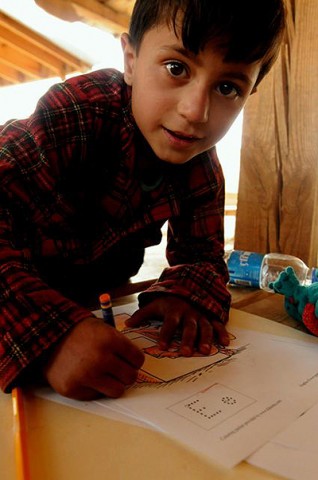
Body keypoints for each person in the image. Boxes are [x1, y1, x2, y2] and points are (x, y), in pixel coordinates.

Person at [0, 0, 286, 400]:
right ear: (131, 61)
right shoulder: (76, 114)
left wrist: (183, 297)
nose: (195, 111)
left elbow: (201, 258)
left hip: (96, 306)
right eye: (176, 68)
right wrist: (50, 338)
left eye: (227, 87)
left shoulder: (199, 164)